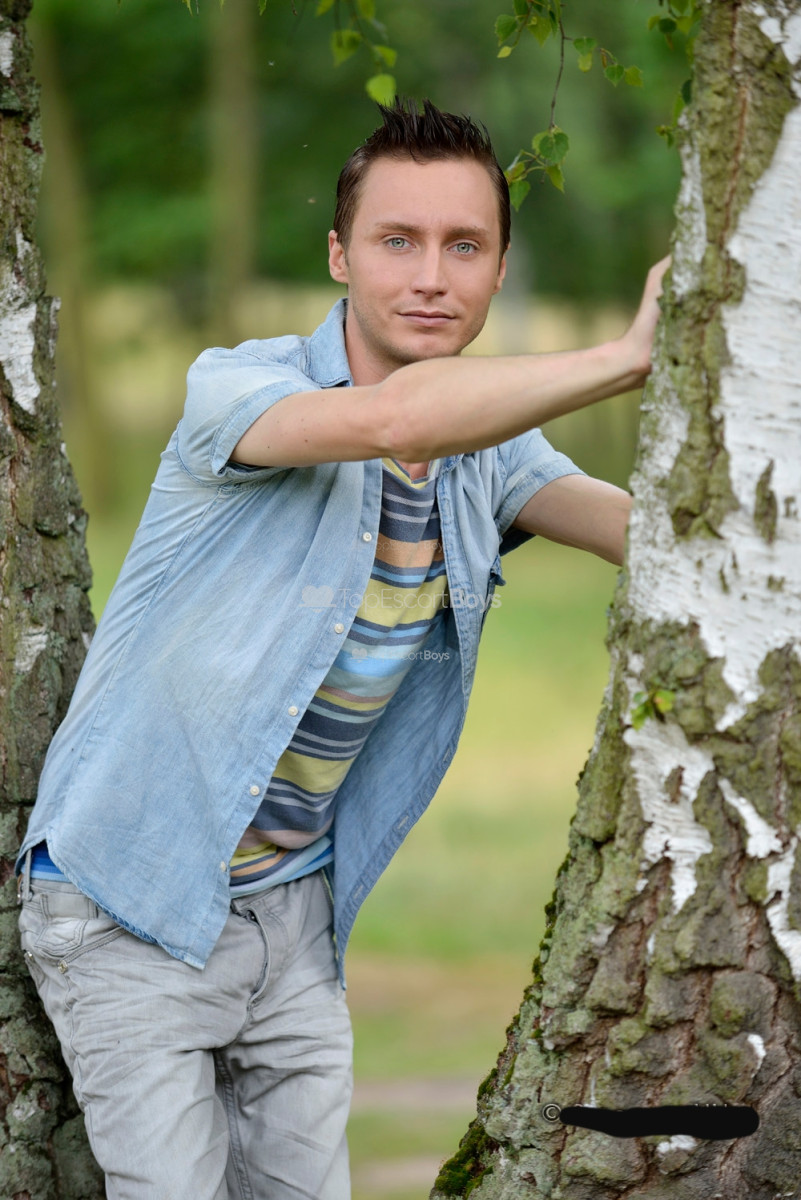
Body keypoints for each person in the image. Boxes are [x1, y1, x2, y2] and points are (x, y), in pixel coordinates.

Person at [17, 98, 669, 1199]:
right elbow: (394, 421)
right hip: (131, 901)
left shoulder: (493, 456)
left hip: (295, 920)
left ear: (500, 269)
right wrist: (625, 357)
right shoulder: (238, 388)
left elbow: (646, 535)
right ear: (338, 255)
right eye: (396, 240)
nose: (430, 277)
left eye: (464, 246)